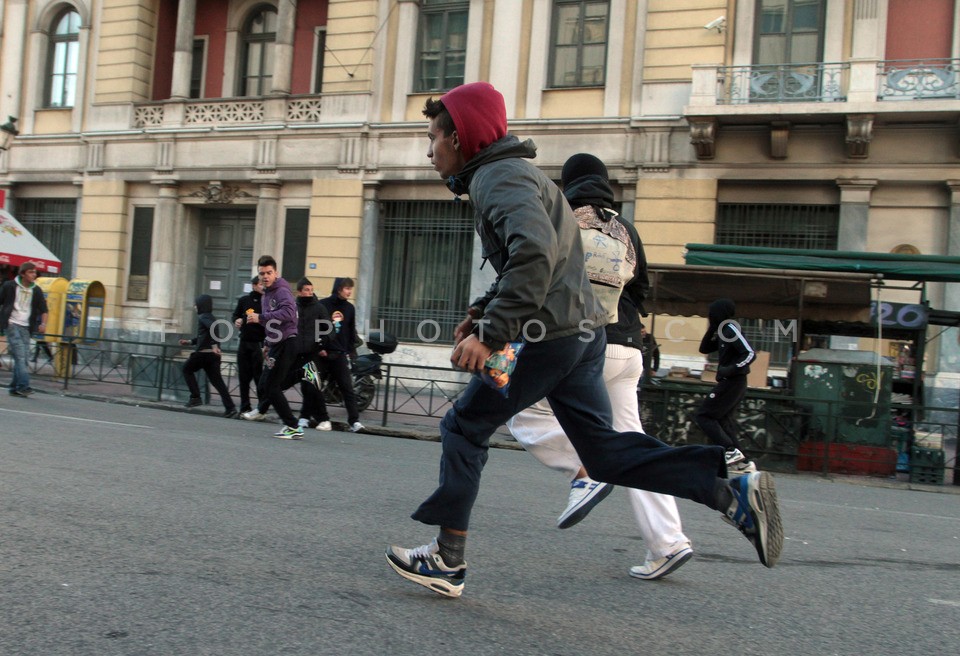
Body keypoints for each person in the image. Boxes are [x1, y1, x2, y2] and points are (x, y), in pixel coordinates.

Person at [385, 82, 783, 599]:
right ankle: (728, 487)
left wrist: (491, 333)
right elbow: (546, 257)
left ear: (461, 138)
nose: (429, 148)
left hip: (547, 335)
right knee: (605, 452)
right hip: (583, 333)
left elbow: (534, 257)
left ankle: (447, 557)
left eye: (434, 137)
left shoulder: (495, 177)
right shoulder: (521, 175)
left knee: (463, 425)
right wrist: (483, 311)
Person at [505, 153, 692, 581]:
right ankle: (669, 542)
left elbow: (539, 277)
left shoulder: (564, 219)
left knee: (522, 411)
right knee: (631, 442)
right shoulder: (626, 228)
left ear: (567, 183)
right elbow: (642, 286)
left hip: (581, 344)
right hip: (628, 351)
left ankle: (586, 468)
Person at [241, 256, 303, 439]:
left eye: (269, 273)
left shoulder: (282, 290)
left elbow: (289, 313)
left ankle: (293, 426)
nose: (265, 277)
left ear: (276, 273)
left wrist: (259, 318)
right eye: (262, 274)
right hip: (277, 343)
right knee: (267, 385)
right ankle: (290, 423)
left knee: (272, 386)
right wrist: (267, 344)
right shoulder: (267, 294)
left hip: (288, 342)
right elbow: (271, 323)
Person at [695, 298, 757, 473]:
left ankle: (730, 451)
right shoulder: (723, 330)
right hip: (731, 381)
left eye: (712, 313)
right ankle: (743, 461)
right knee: (724, 421)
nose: (710, 316)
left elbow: (750, 353)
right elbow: (704, 348)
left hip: (733, 381)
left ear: (719, 313)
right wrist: (712, 328)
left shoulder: (730, 328)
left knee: (704, 415)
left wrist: (731, 369)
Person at [179, 294, 238, 418]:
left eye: (196, 304)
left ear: (201, 305)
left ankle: (195, 397)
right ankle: (230, 408)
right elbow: (202, 336)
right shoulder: (210, 317)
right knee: (218, 382)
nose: (195, 307)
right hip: (212, 357)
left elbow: (213, 328)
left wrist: (214, 344)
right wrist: (189, 342)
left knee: (186, 369)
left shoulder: (203, 317)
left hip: (203, 354)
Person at [318, 277, 364, 433]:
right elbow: (317, 327)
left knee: (347, 389)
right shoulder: (323, 305)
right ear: (339, 289)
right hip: (322, 354)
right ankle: (306, 417)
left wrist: (352, 352)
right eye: (346, 288)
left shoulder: (350, 308)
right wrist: (319, 347)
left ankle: (354, 422)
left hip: (339, 355)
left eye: (350, 288)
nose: (349, 291)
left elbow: (351, 332)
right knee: (313, 385)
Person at [291, 278, 334, 432]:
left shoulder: (319, 308)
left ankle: (324, 419)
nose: (309, 292)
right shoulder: (293, 307)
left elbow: (328, 328)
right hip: (296, 353)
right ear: (299, 292)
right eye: (306, 290)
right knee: (303, 386)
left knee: (313, 386)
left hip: (312, 353)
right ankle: (304, 417)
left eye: (311, 289)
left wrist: (322, 343)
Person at [0, 262, 49, 397]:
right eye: (31, 272)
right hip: (11, 324)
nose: (34, 275)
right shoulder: (9, 286)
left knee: (23, 358)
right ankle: (24, 386)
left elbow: (44, 309)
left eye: (35, 272)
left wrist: (43, 324)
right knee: (21, 356)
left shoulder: (36, 290)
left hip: (26, 327)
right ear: (22, 274)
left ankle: (14, 387)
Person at [232, 276, 266, 415]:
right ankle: (245, 406)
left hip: (259, 343)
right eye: (260, 284)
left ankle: (261, 407)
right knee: (244, 377)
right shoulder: (244, 300)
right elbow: (235, 315)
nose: (263, 286)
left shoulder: (267, 301)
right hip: (244, 342)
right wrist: (237, 320)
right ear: (253, 286)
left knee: (259, 377)